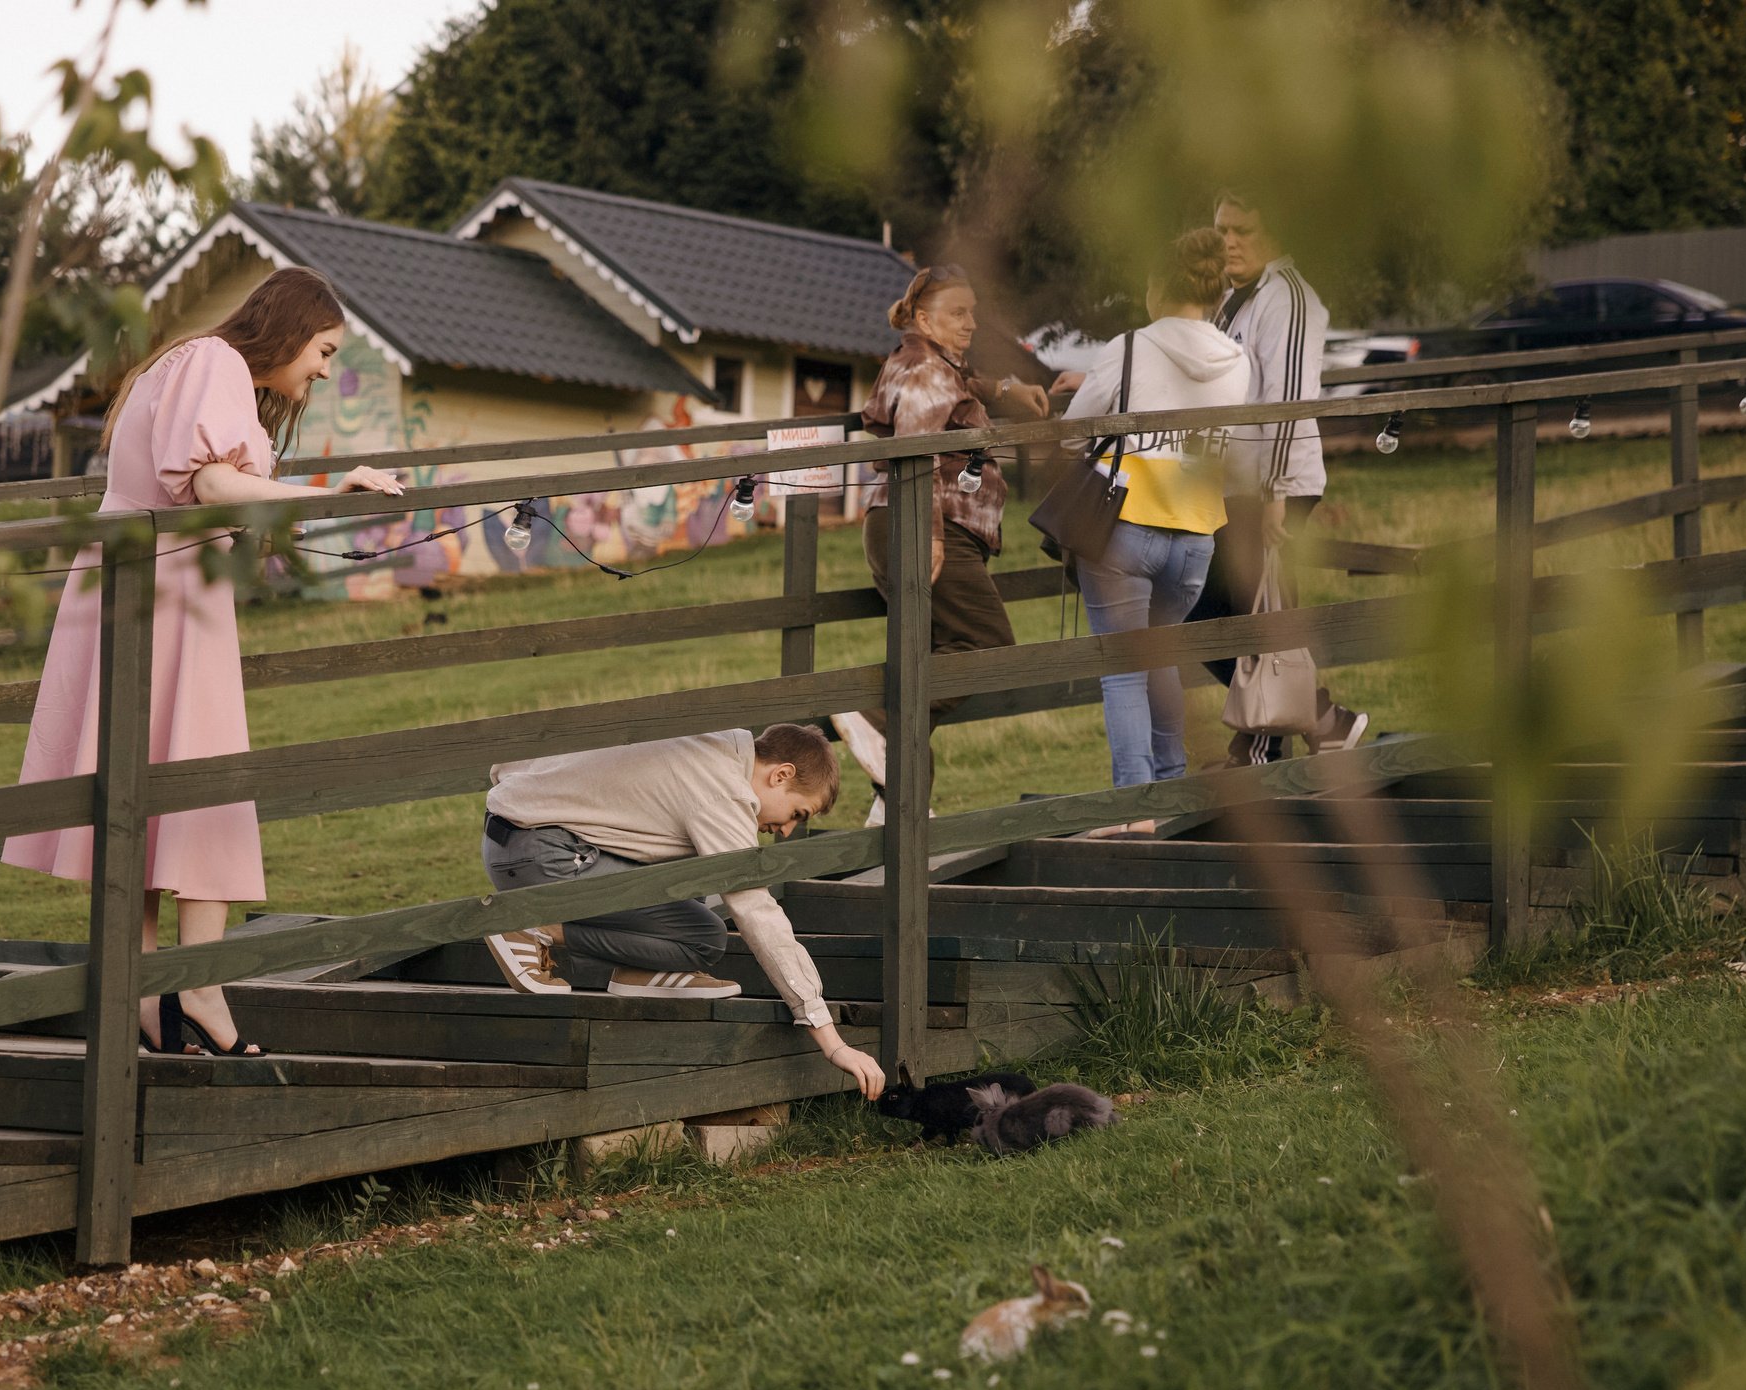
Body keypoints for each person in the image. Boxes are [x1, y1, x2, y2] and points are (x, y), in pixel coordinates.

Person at [1, 266, 405, 1056]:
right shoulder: (215, 362)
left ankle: (148, 990)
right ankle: (199, 985)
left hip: (144, 583)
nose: (325, 371)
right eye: (323, 351)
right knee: (205, 785)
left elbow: (212, 487)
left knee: (152, 788)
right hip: (165, 591)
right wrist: (331, 493)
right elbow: (216, 482)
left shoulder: (195, 365)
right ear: (291, 330)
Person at [480, 723, 886, 1099]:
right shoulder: (723, 790)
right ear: (780, 775)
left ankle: (639, 969)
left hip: (515, 842)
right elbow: (756, 911)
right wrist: (831, 1040)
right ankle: (535, 926)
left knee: (691, 890)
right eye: (797, 813)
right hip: (543, 857)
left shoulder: (708, 745)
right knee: (703, 938)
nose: (786, 829)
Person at [1059, 228, 1250, 827]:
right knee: (1161, 654)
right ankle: (1169, 789)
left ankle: (1137, 810)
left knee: (1123, 671)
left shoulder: (1130, 348)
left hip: (1126, 526)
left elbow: (1069, 434)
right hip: (1197, 533)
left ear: (1158, 286)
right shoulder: (1238, 359)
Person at [831, 264, 1019, 825]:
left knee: (929, 661)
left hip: (899, 523)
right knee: (985, 646)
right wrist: (931, 535)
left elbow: (955, 392)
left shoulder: (916, 362)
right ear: (923, 318)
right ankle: (874, 717)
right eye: (958, 313)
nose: (971, 323)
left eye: (973, 312)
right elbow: (917, 449)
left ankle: (897, 807)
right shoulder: (928, 370)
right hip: (927, 525)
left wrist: (1007, 390)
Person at [1187, 191, 1368, 763]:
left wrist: (1276, 494)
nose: (1229, 242)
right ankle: (1323, 720)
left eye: (1242, 230)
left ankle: (1262, 748)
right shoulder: (1231, 299)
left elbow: (1289, 401)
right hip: (1235, 487)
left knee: (1261, 615)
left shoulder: (1289, 297)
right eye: (1221, 230)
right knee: (1203, 613)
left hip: (1274, 485)